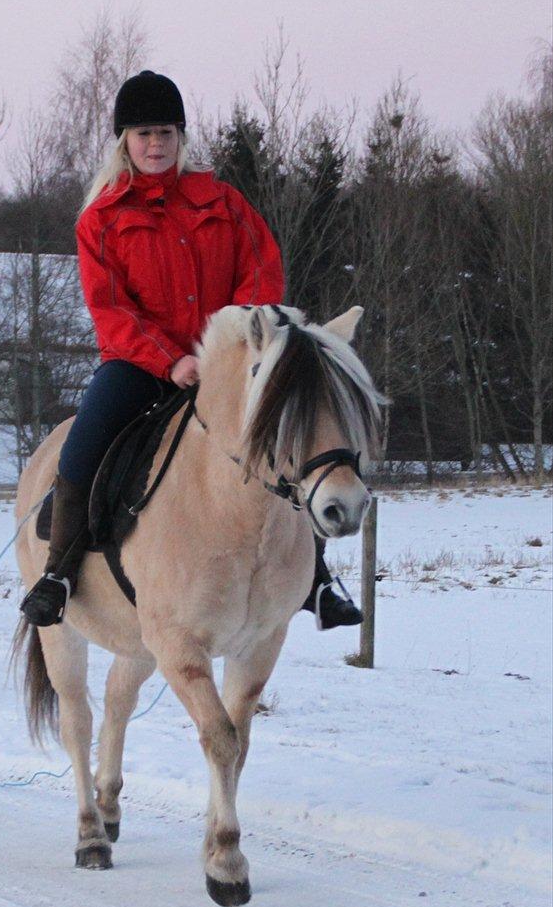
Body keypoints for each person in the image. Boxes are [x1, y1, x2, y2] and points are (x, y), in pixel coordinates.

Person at [20, 70, 361, 631]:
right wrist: (169, 359)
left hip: (225, 366)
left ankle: (316, 578)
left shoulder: (223, 202)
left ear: (182, 137)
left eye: (166, 133)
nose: (156, 145)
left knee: (290, 436)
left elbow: (260, 270)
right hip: (140, 366)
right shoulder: (101, 219)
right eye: (143, 134)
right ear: (123, 141)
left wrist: (226, 346)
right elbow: (110, 308)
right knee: (84, 441)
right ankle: (59, 572)